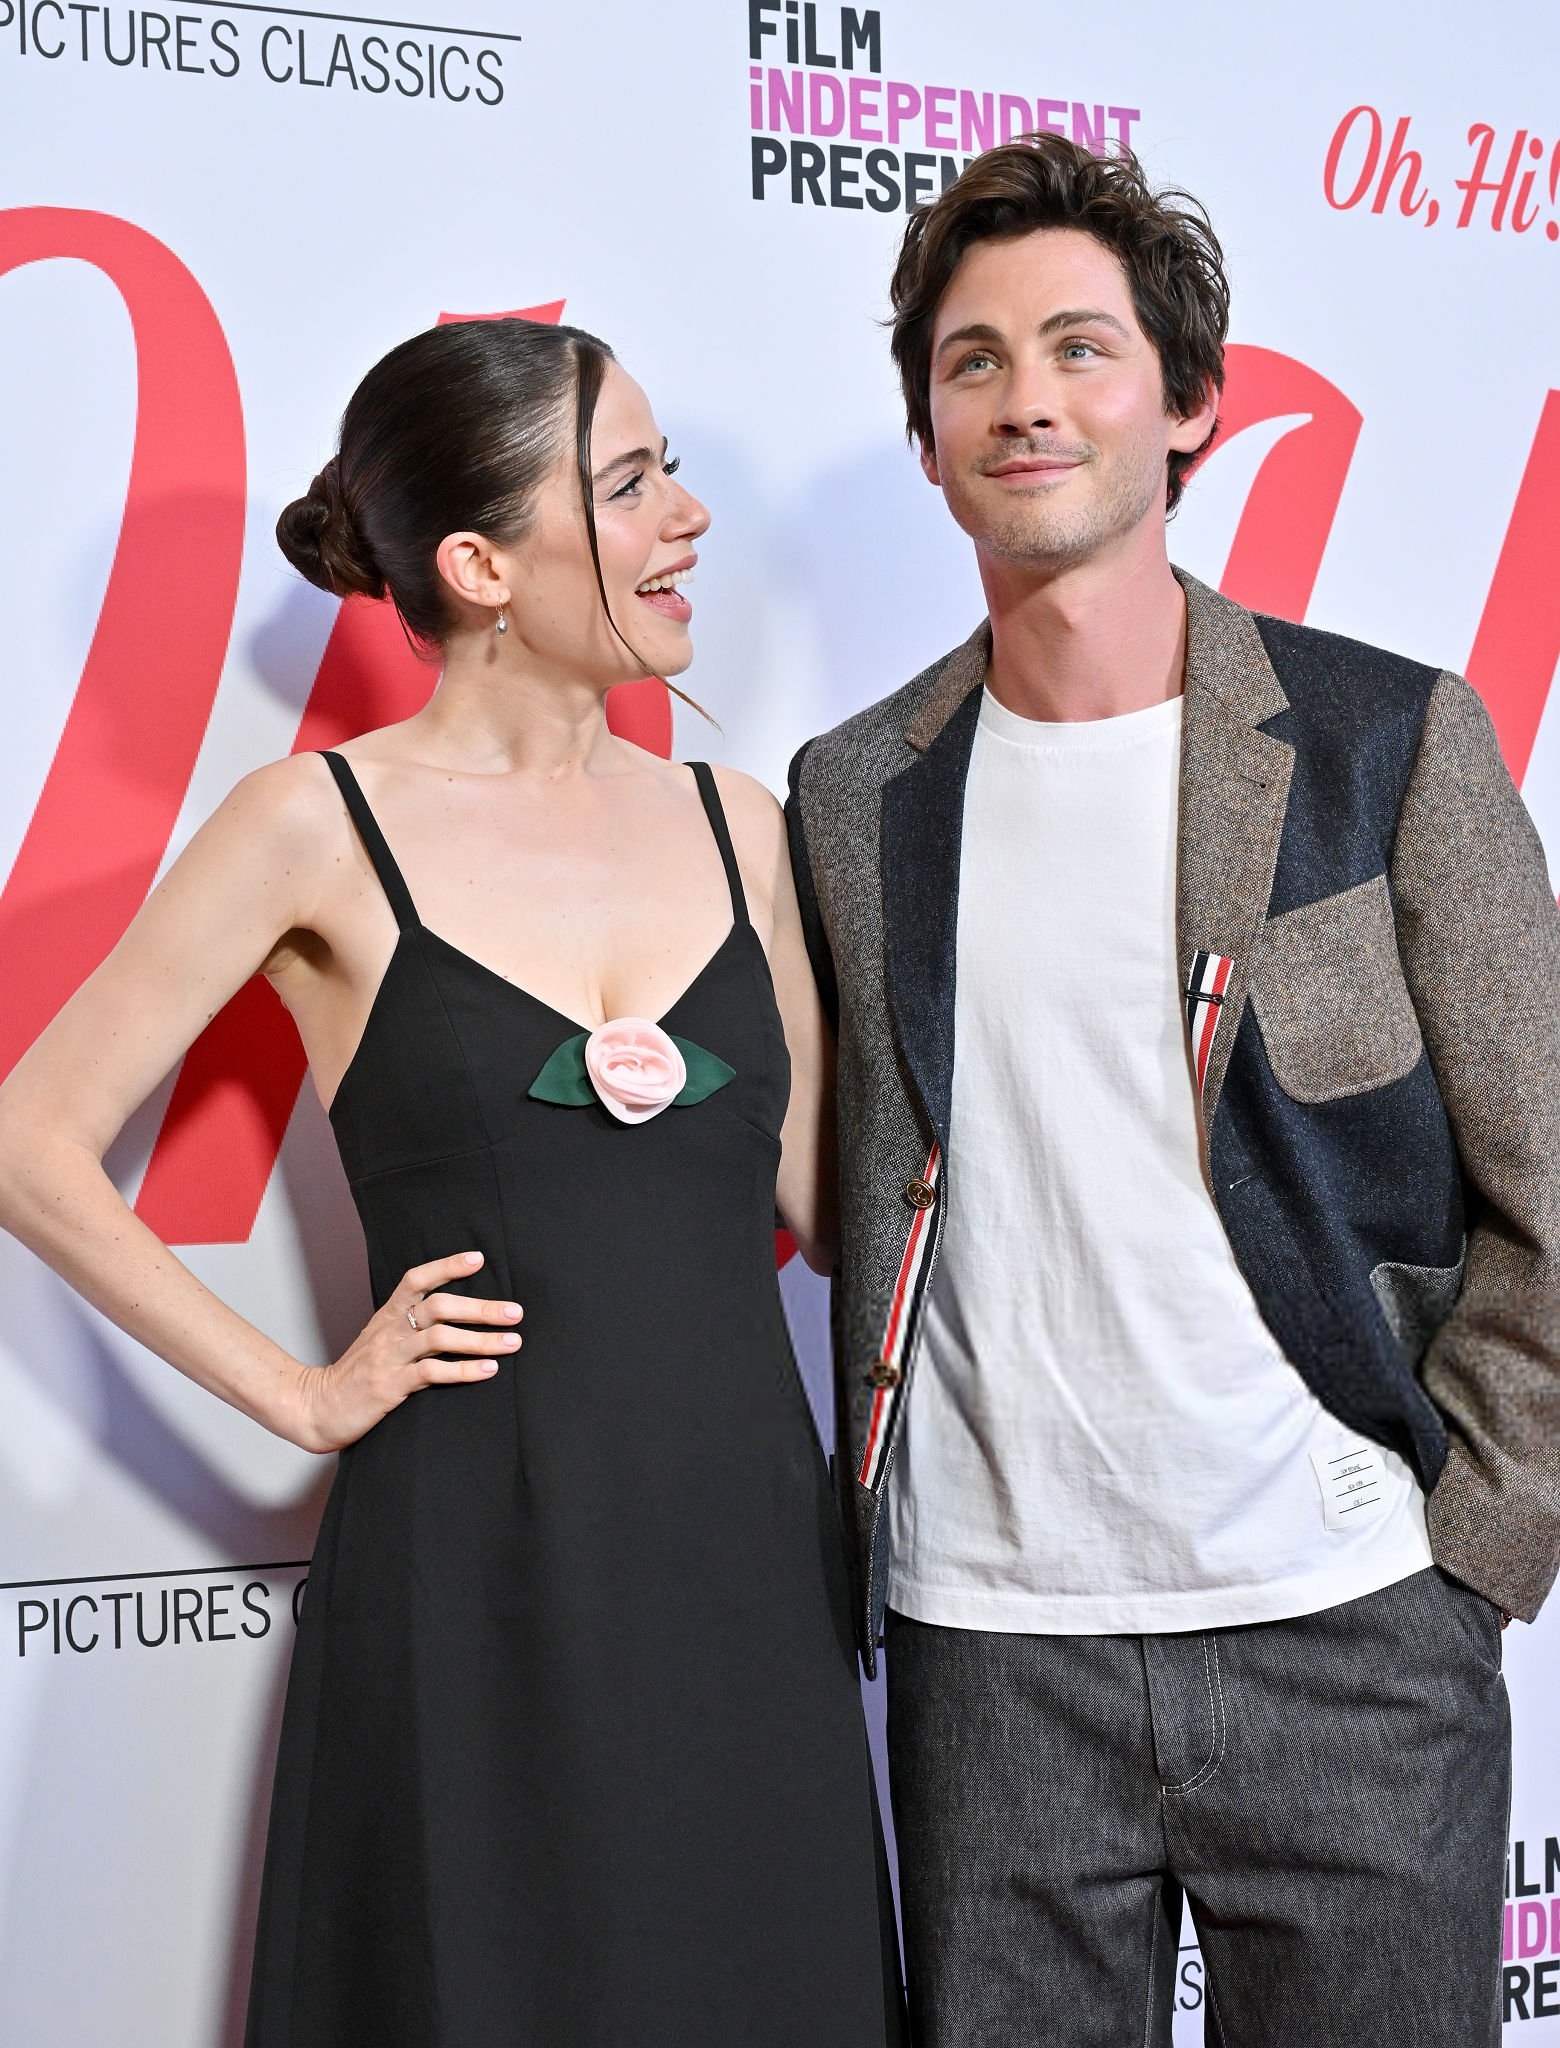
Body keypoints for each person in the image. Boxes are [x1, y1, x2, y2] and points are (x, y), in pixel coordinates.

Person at [0, 318, 903, 2047]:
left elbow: (834, 1203)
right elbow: (32, 1141)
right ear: (483, 566)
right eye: (628, 485)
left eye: (669, 470)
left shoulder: (743, 823)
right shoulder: (312, 823)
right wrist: (301, 1394)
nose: (688, 516)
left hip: (747, 1579)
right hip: (474, 1579)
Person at [786, 134, 1560, 2046]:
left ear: (1190, 401)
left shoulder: (1386, 739)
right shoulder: (855, 792)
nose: (1024, 399)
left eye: (1080, 348)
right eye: (972, 362)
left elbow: (1547, 1166)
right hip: (991, 1655)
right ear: (928, 438)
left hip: (1351, 1630)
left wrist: (1473, 1550)